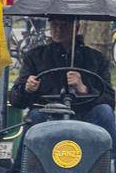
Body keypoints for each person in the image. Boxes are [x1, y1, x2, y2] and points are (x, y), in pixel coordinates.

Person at [10, 17, 115, 155]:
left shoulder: (95, 58)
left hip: (85, 116)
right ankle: (20, 170)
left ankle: (112, 162)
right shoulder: (35, 56)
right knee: (34, 116)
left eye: (64, 25)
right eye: (54, 25)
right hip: (47, 116)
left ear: (76, 28)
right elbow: (16, 100)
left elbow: (110, 99)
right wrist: (26, 89)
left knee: (105, 112)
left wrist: (84, 89)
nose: (58, 30)